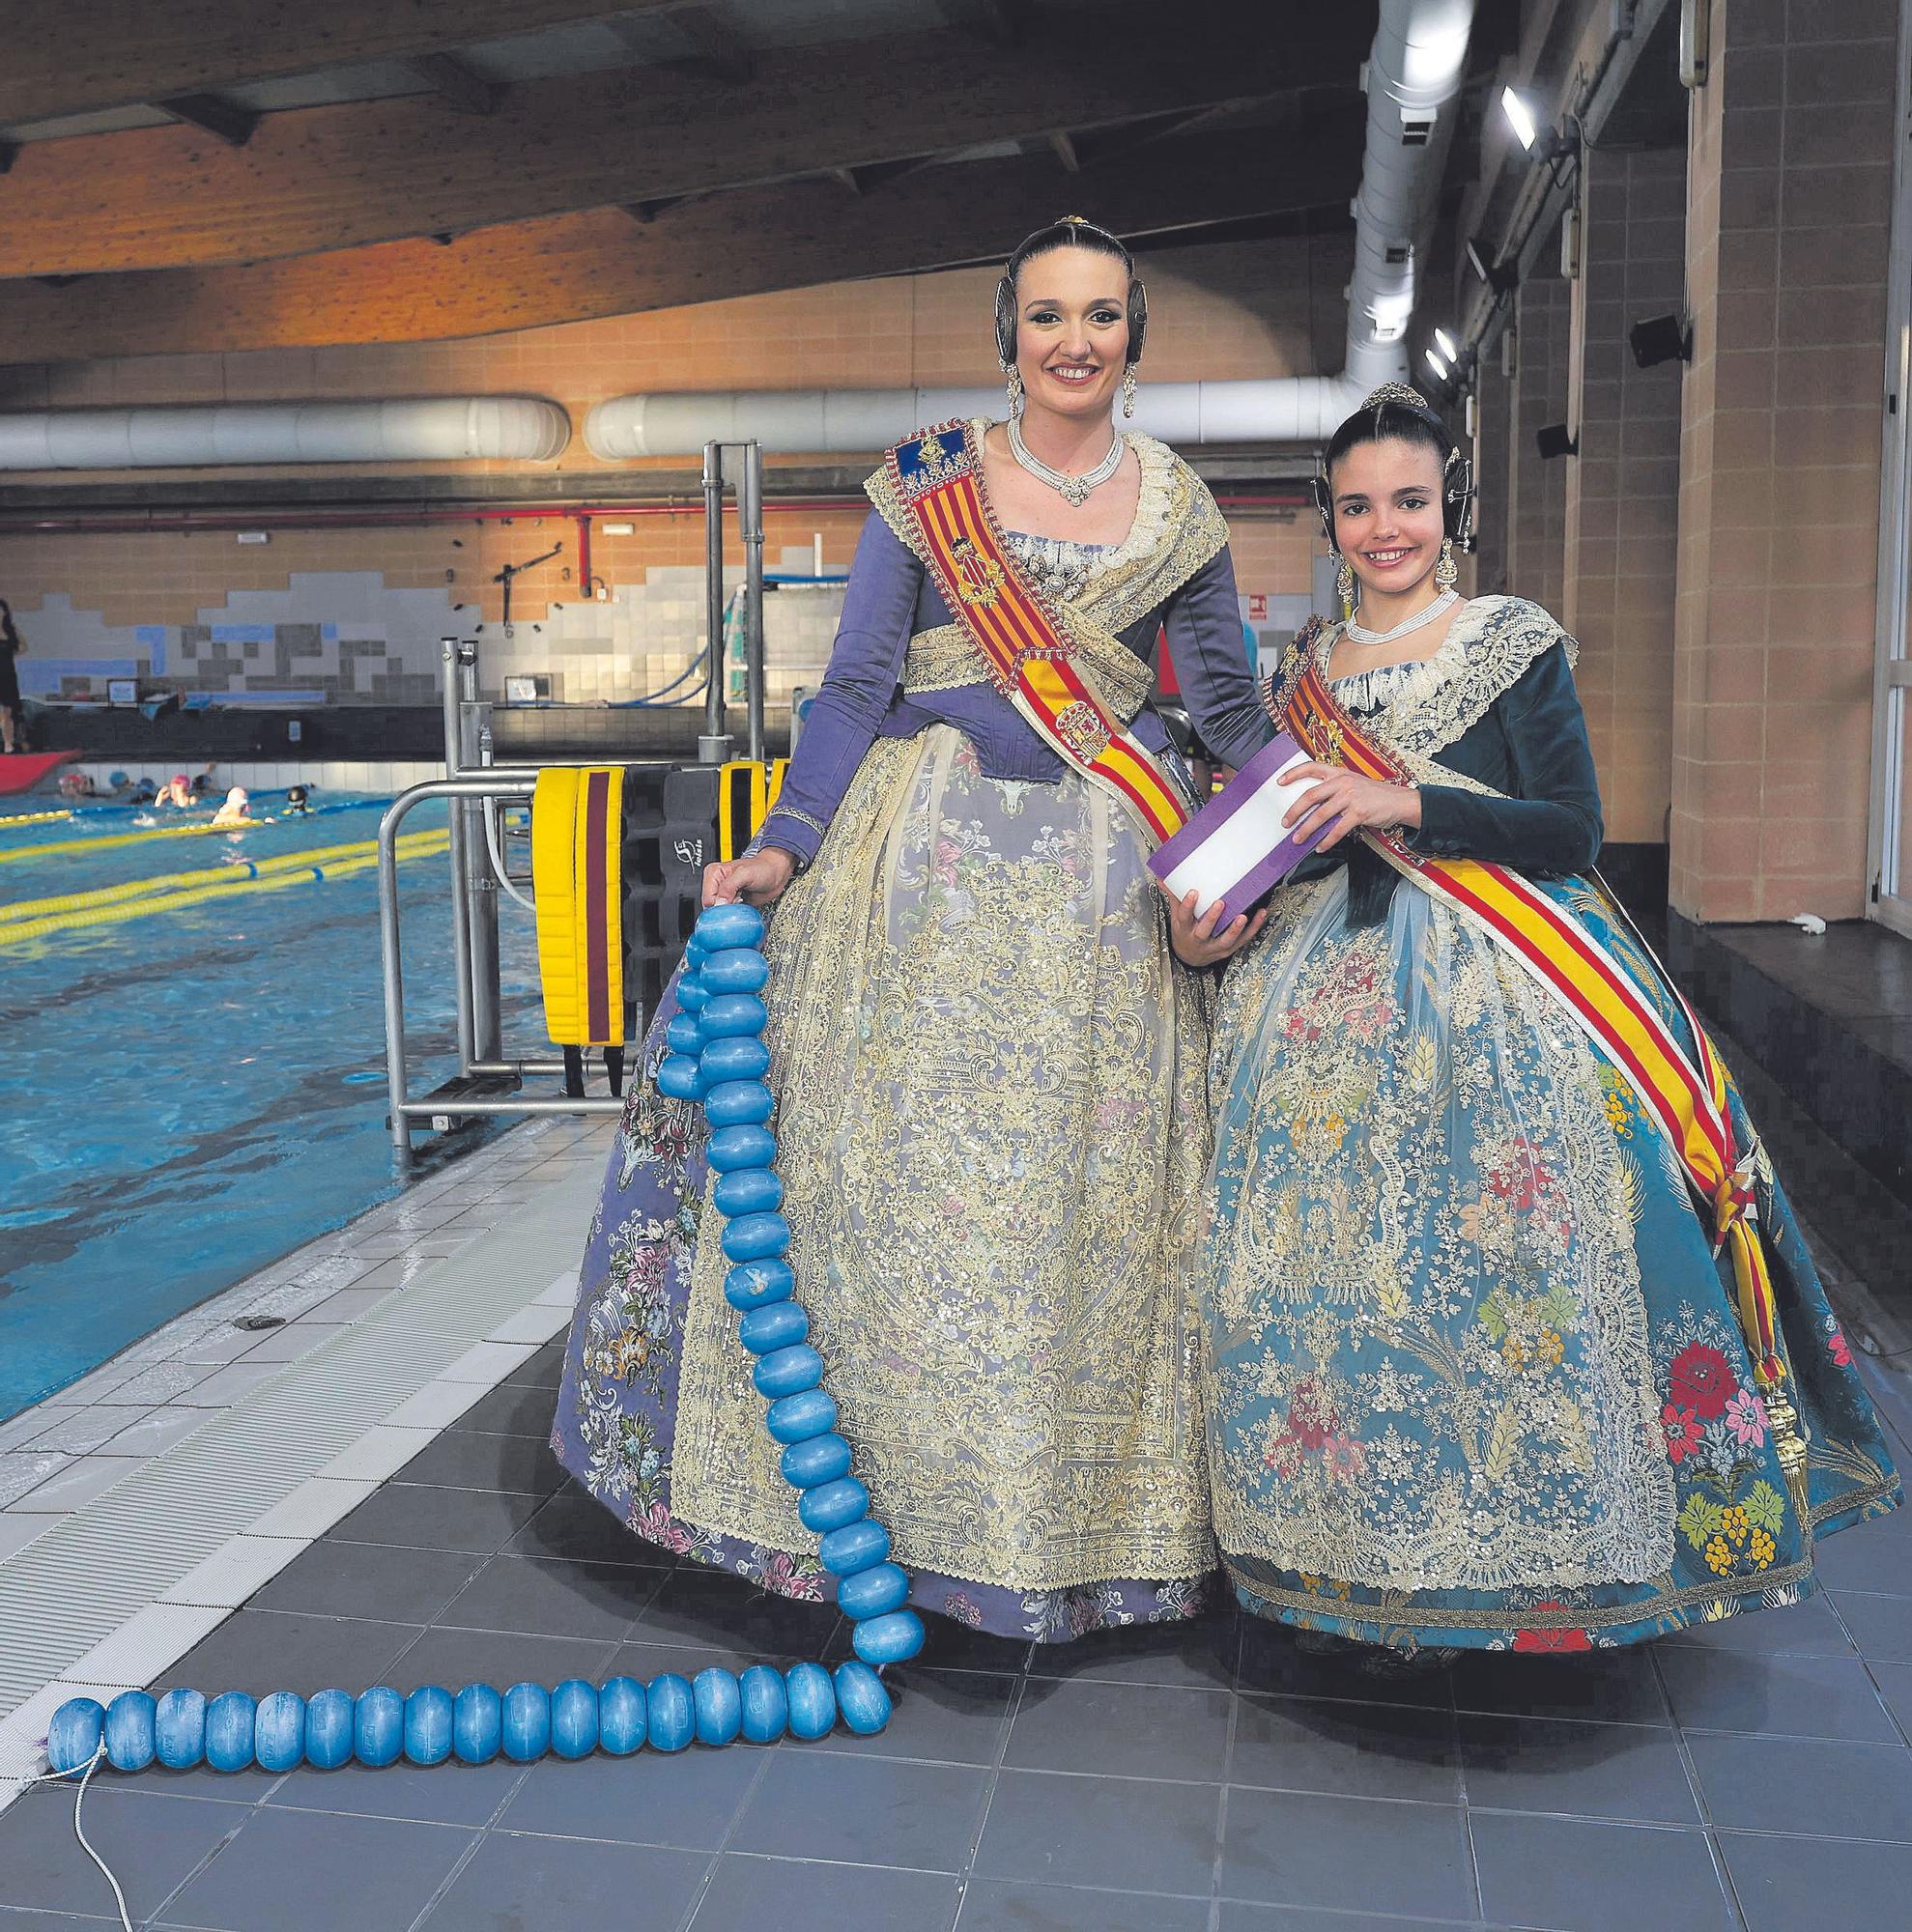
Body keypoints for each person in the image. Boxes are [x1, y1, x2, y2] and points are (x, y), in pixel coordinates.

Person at [554, 215, 1270, 1642]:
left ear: (1135, 339)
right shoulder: (926, 485)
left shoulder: (1182, 508)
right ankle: (876, 1523)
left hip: (1103, 898)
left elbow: (1230, 714)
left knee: (1075, 1207)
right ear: (1004, 336)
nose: (1076, 341)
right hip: (913, 870)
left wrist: (1313, 824)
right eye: (1050, 314)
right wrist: (783, 842)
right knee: (888, 1192)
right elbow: (852, 687)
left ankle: (1061, 1533)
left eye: (1105, 316)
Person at [1195, 384, 1899, 1654]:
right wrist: (1220, 909)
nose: (1382, 529)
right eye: (1355, 507)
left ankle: (1547, 1557)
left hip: (1504, 982)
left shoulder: (1506, 639)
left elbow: (1565, 829)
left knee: (1514, 1266)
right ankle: (1349, 1541)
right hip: (1323, 993)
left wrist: (1401, 799)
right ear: (1328, 520)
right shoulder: (1303, 670)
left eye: (1405, 501)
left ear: (1443, 505)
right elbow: (1296, 842)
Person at [0, 600, 24, 755]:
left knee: (8, 713)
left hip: (8, 675)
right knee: (1, 712)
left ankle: (9, 744)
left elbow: (23, 646)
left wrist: (9, 655)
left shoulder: (10, 630)